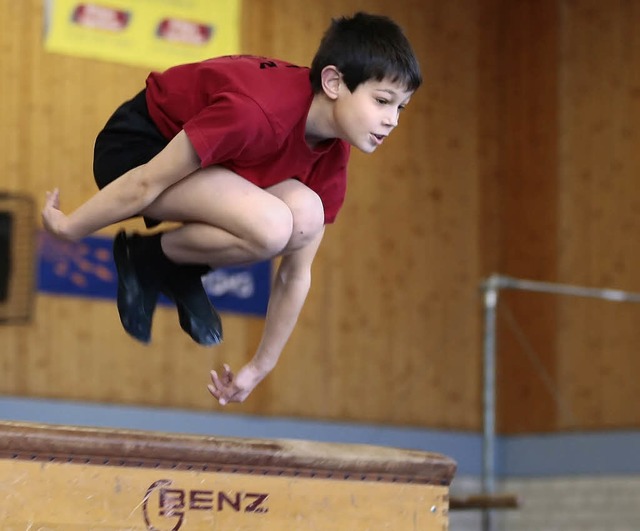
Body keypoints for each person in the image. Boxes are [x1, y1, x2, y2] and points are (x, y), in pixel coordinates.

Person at [41, 12, 422, 406]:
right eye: (382, 101)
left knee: (305, 215)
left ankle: (156, 261)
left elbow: (296, 274)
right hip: (137, 151)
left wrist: (259, 367)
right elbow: (145, 181)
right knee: (271, 225)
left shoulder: (332, 153)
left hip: (213, 165)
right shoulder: (258, 113)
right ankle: (151, 260)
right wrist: (70, 227)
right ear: (333, 82)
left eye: (401, 108)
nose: (391, 121)